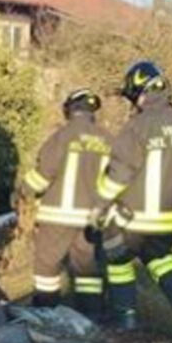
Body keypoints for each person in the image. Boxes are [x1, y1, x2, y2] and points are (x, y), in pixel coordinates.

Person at [93, 61, 172, 334]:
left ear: (141, 91)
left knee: (116, 258)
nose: (133, 104)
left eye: (133, 97)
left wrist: (97, 206)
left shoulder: (137, 127)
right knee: (159, 257)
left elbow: (118, 174)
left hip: (136, 219)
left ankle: (125, 323)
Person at [19, 89, 111, 318]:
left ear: (69, 109)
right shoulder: (108, 139)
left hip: (58, 217)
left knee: (47, 266)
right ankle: (91, 315)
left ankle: (46, 312)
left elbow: (43, 175)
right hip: (92, 219)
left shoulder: (63, 136)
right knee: (87, 269)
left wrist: (23, 191)